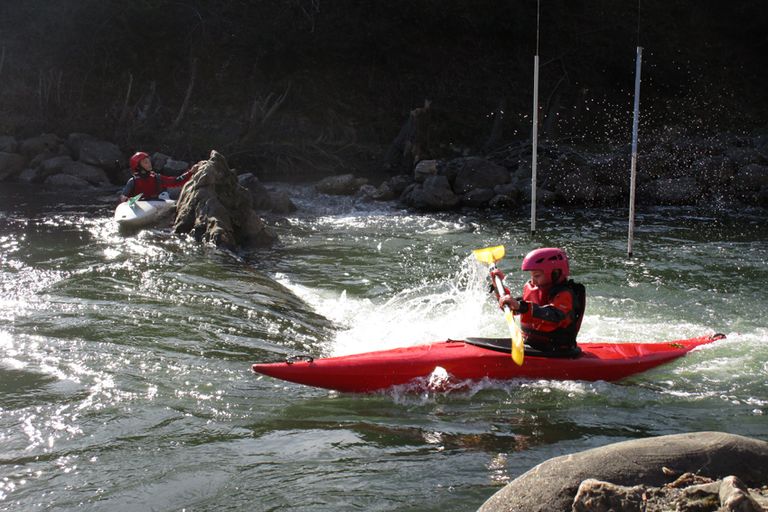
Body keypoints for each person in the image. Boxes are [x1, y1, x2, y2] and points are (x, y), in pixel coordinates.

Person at [495, 247, 586, 353]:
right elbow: (515, 309)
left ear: (555, 273)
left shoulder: (564, 294)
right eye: (532, 276)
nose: (533, 280)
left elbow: (554, 315)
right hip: (531, 344)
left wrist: (521, 306)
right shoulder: (534, 288)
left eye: (537, 276)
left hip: (557, 350)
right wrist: (498, 287)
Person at [119, 151, 200, 203]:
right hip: (139, 204)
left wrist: (191, 172)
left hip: (156, 202)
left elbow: (176, 181)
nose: (149, 164)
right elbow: (123, 196)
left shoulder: (156, 178)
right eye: (145, 162)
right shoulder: (133, 181)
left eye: (149, 161)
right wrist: (127, 200)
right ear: (138, 166)